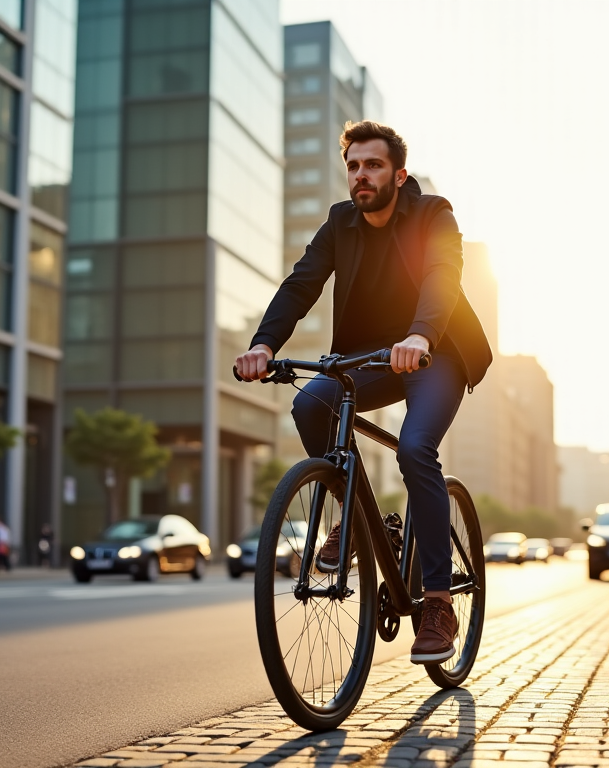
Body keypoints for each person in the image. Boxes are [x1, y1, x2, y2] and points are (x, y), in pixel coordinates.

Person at [235, 121, 492, 665]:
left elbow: (443, 274)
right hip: (369, 357)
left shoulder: (432, 214)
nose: (360, 175)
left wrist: (420, 333)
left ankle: (439, 603)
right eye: (352, 166)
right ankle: (357, 524)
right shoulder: (340, 223)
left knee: (415, 448)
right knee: (311, 403)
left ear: (398, 173)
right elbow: (302, 283)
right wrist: (263, 344)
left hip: (436, 350)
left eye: (372, 165)